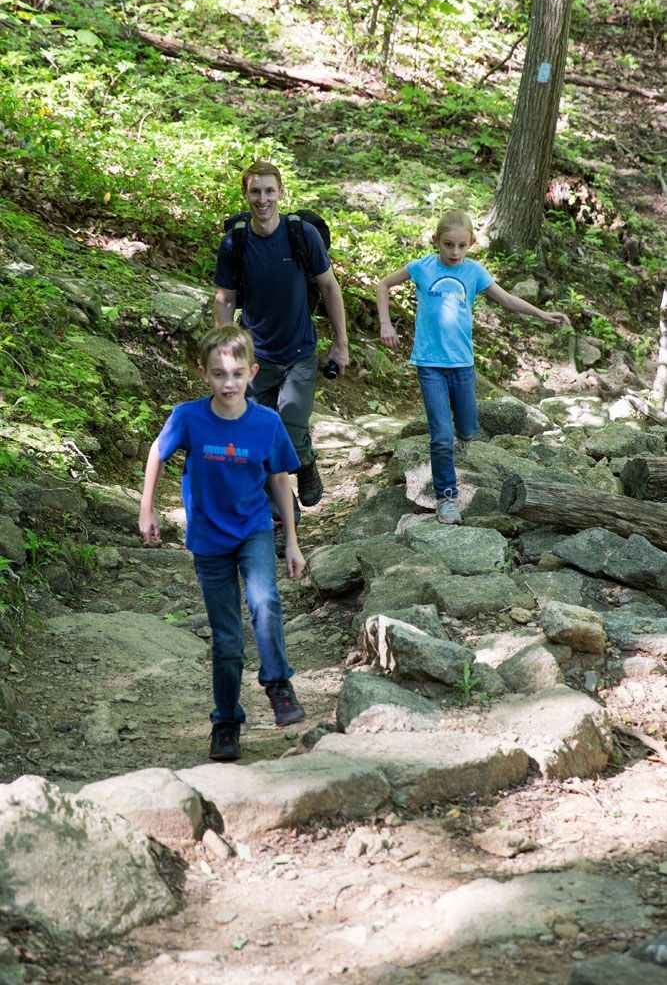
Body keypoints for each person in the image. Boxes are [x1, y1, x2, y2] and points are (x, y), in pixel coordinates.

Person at [138, 325, 307, 763]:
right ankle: (227, 722)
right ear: (204, 374)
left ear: (252, 372)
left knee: (265, 600)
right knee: (227, 638)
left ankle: (277, 684)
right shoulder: (189, 417)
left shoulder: (266, 423)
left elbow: (280, 478)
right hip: (209, 541)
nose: (227, 383)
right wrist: (147, 509)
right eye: (218, 374)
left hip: (253, 530)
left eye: (236, 373)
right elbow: (157, 452)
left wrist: (291, 541)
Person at [376, 209, 568, 525]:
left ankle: (461, 442)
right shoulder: (423, 268)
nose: (454, 252)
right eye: (448, 245)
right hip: (430, 365)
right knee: (441, 434)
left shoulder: (474, 272)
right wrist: (386, 324)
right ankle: (447, 498)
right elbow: (383, 285)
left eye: (461, 246)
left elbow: (507, 300)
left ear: (470, 244)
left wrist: (542, 314)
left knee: (467, 429)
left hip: (463, 365)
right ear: (436, 241)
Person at [213, 160, 349, 552]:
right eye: (255, 192)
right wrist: (226, 351)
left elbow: (328, 288)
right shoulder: (235, 242)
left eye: (269, 191)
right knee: (258, 440)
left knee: (288, 424)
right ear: (246, 194)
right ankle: (279, 516)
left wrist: (340, 345)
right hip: (256, 358)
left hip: (301, 353)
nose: (262, 199)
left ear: (281, 193)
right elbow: (225, 299)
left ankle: (304, 462)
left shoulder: (301, 235)